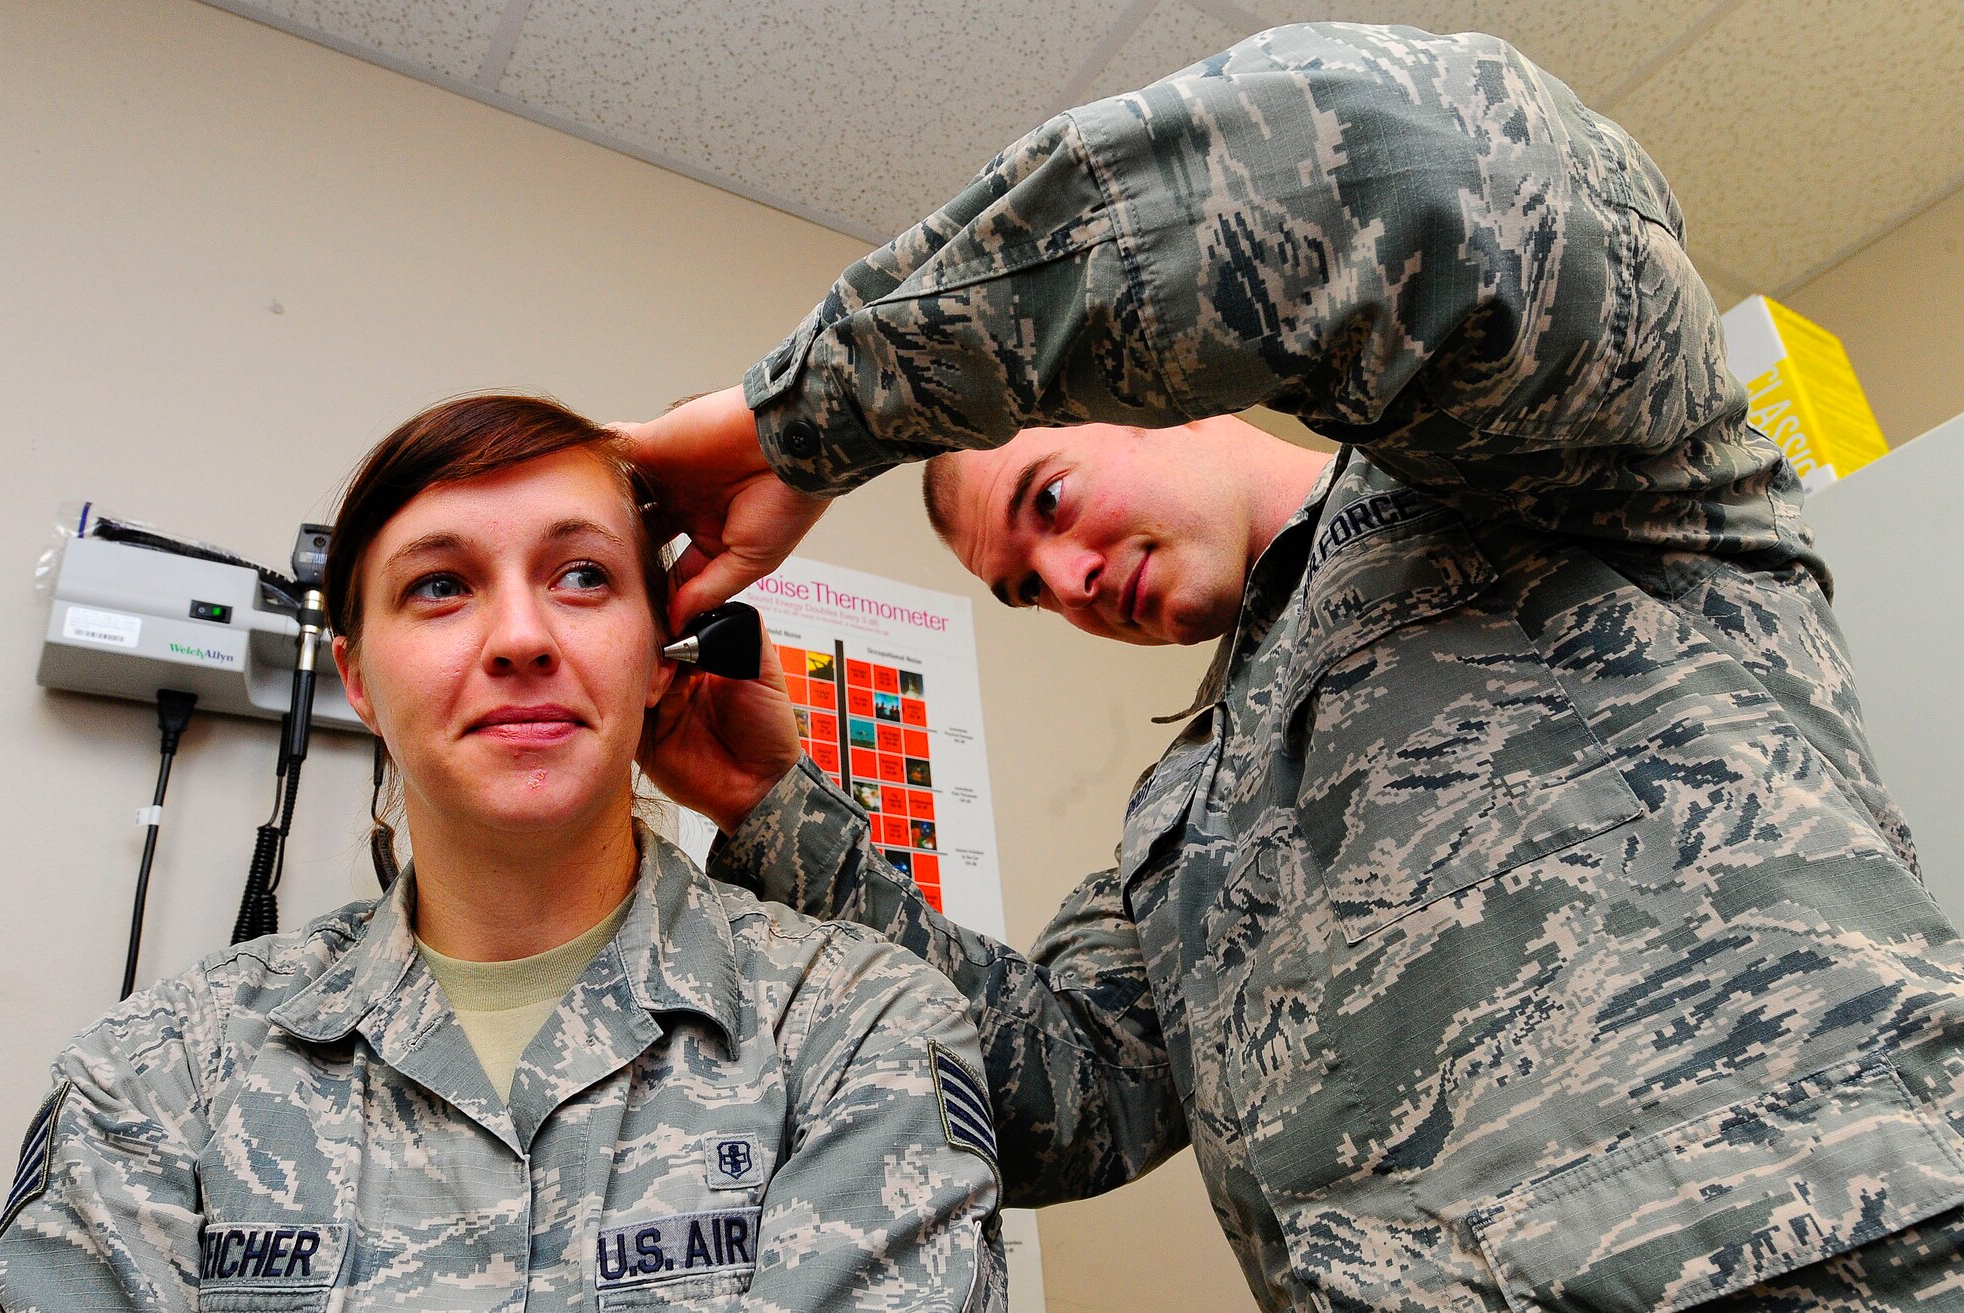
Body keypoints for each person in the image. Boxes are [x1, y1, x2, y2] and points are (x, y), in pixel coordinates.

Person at [624, 23, 1964, 1313]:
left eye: (1048, 501)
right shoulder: (1182, 818)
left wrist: (813, 418)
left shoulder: (1537, 464)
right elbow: (1051, 1098)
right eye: (1026, 591)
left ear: (1147, 395)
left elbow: (1421, 165)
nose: (1070, 580)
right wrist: (767, 808)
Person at [0, 396, 1005, 1312]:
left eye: (582, 575)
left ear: (660, 656)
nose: (521, 635)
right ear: (361, 678)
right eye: (439, 585)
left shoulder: (857, 1029)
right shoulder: (156, 1076)